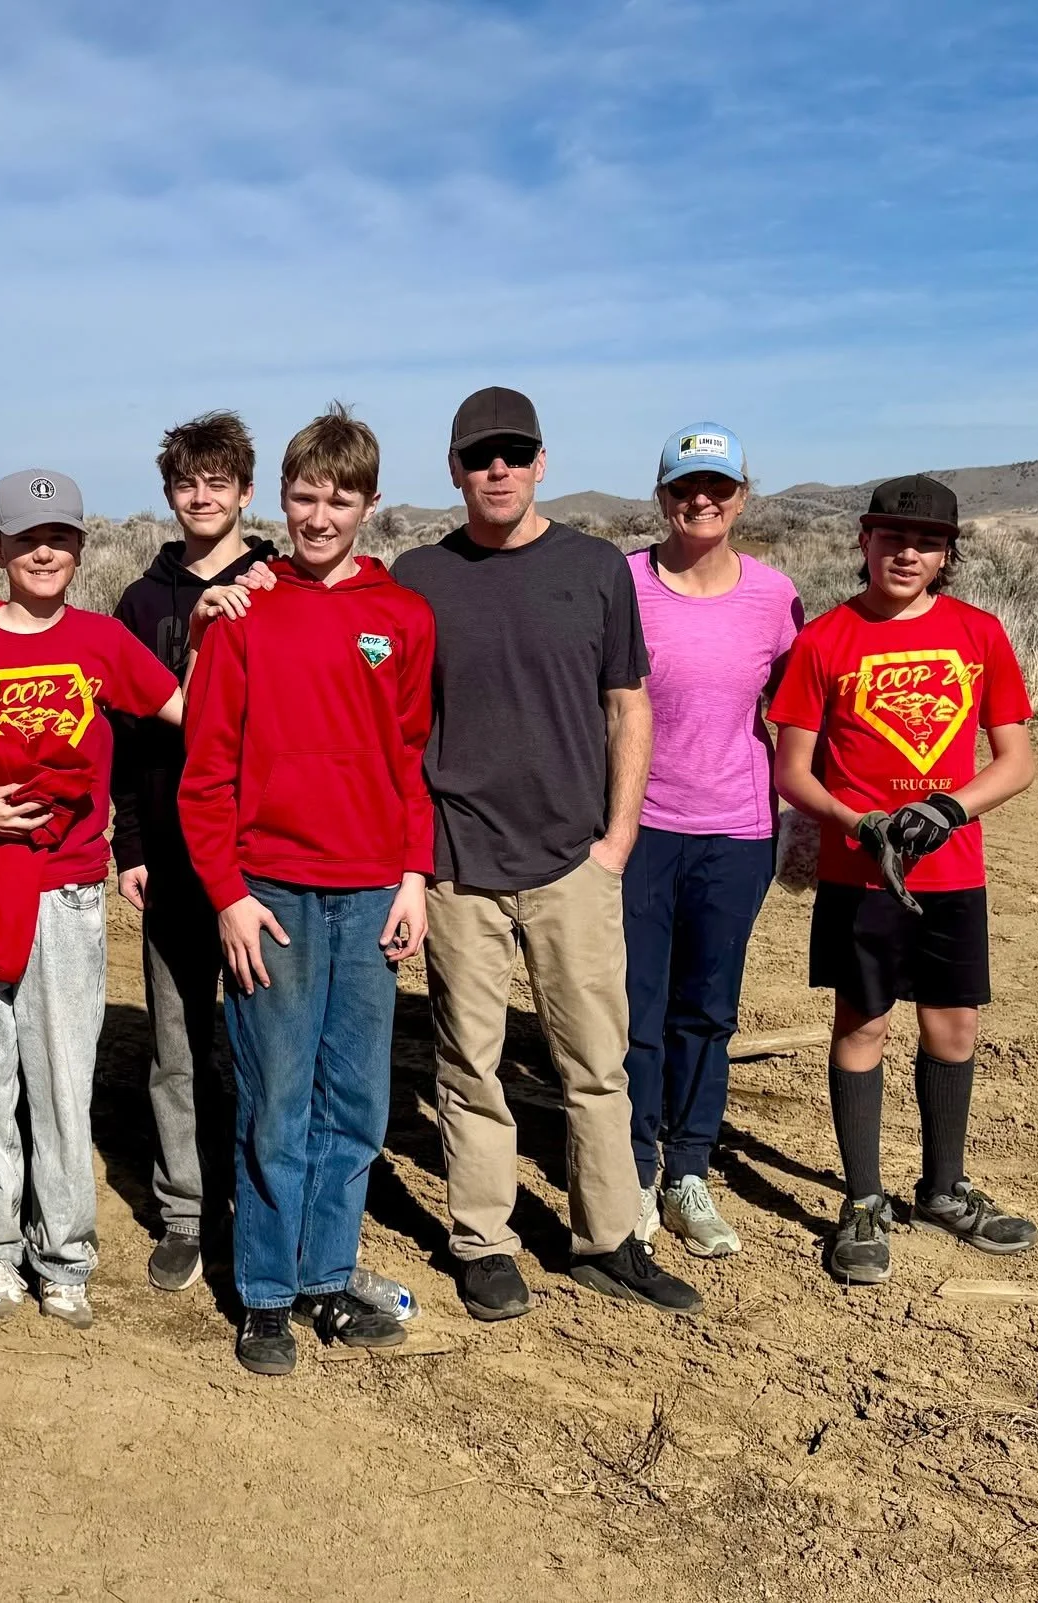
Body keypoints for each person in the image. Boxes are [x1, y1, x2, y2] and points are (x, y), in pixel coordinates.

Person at [392, 387, 701, 1320]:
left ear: (540, 463)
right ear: (454, 469)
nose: (498, 470)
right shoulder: (417, 575)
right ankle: (482, 1238)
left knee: (595, 1060)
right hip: (460, 861)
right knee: (469, 1064)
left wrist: (618, 839)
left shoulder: (596, 569)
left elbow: (628, 706)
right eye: (479, 456)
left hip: (574, 860)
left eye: (514, 454)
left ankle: (610, 1236)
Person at [179, 405, 435, 1375]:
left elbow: (411, 755)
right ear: (279, 501)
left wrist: (413, 876)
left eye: (337, 498)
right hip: (271, 899)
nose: (317, 515)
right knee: (275, 1102)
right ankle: (266, 1295)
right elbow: (203, 775)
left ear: (367, 504)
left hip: (372, 892)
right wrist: (228, 895)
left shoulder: (401, 617)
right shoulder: (245, 615)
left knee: (354, 1102)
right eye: (302, 496)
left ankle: (328, 1274)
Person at [0, 471, 184, 1329]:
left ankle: (63, 1254)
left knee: (62, 1080)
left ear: (79, 547)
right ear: (0, 550)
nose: (45, 552)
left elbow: (187, 708)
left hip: (66, 891)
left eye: (59, 536)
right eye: (27, 539)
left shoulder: (102, 642)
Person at [769, 473, 1038, 1287]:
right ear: (863, 539)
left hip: (952, 872)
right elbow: (793, 770)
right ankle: (860, 1200)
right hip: (860, 875)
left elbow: (1017, 758)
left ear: (948, 553)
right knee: (863, 1026)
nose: (907, 552)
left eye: (925, 541)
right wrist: (860, 823)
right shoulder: (826, 640)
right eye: (891, 537)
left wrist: (949, 808)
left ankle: (945, 1188)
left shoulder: (979, 633)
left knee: (953, 1028)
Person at [622, 425, 804, 1259]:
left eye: (719, 487)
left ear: (742, 495)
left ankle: (687, 1169)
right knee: (634, 1006)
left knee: (709, 1006)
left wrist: (809, 828)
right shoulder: (620, 584)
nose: (702, 500)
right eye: (685, 487)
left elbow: (802, 714)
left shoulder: (776, 599)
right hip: (638, 828)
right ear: (661, 497)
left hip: (737, 831)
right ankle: (630, 1163)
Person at [112, 412, 275, 1292]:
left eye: (219, 481)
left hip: (264, 855)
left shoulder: (284, 585)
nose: (202, 496)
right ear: (171, 494)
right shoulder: (143, 601)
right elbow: (132, 730)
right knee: (176, 1045)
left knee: (260, 1043)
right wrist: (131, 841)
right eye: (187, 483)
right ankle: (184, 1212)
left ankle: (256, 1200)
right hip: (172, 851)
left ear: (245, 491)